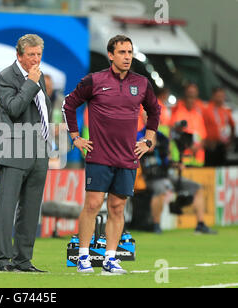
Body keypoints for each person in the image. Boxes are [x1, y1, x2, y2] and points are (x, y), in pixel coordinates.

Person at [62, 35, 161, 275]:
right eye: (122, 52)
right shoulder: (94, 81)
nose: (127, 57)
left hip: (127, 157)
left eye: (129, 52)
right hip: (99, 155)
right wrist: (75, 137)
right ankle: (83, 257)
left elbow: (154, 111)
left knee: (117, 208)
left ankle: (110, 258)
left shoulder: (142, 83)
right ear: (110, 55)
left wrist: (148, 140)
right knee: (93, 204)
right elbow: (69, 105)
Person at [0, 34, 51, 273]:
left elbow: (42, 110)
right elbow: (14, 109)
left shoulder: (39, 76)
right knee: (6, 208)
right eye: (31, 55)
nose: (36, 59)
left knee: (31, 209)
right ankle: (0, 261)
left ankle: (23, 261)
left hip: (39, 149)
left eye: (39, 54)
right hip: (15, 148)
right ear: (19, 55)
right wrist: (31, 83)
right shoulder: (6, 76)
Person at [170, 83, 207, 167]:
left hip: (197, 160)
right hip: (183, 159)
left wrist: (197, 147)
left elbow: (203, 136)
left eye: (193, 96)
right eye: (189, 95)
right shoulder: (178, 112)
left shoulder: (198, 115)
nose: (191, 99)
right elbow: (174, 133)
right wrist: (190, 145)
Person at [202, 87, 235, 166]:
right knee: (210, 168)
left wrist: (230, 140)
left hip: (222, 146)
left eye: (222, 96)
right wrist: (205, 141)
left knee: (221, 168)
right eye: (218, 96)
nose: (220, 99)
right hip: (210, 146)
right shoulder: (207, 109)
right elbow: (201, 125)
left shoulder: (226, 111)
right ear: (213, 96)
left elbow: (233, 125)